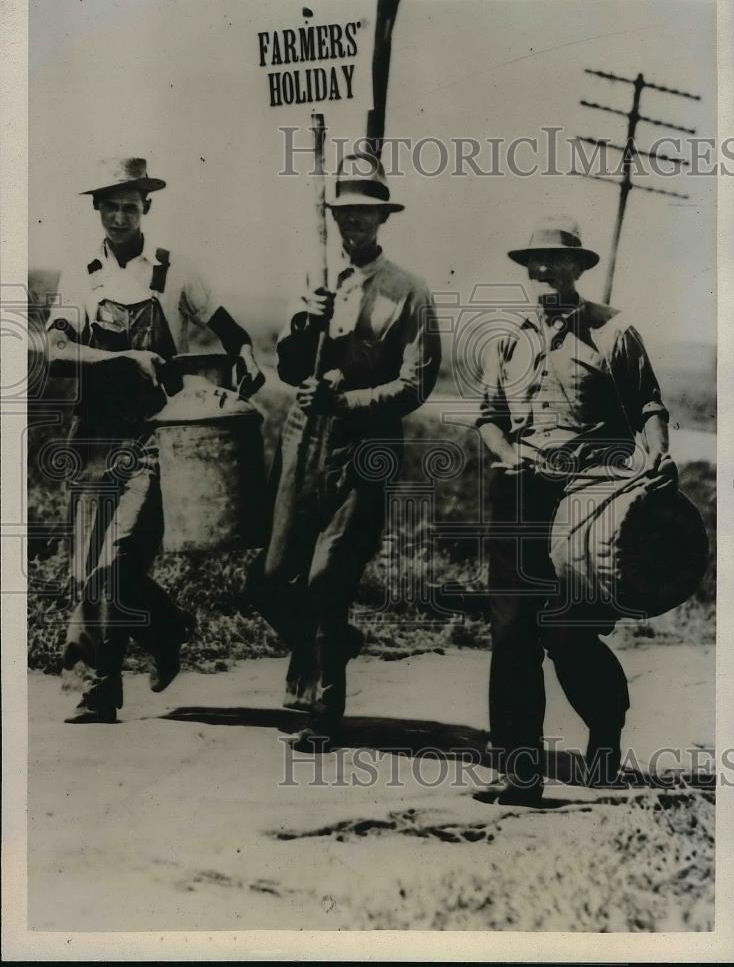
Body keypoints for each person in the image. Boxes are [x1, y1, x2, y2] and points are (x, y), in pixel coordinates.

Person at [46, 157, 264, 723]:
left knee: (114, 560)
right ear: (97, 209)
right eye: (111, 205)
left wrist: (245, 354)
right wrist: (122, 358)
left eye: (131, 206)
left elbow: (229, 329)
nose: (121, 215)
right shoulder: (82, 271)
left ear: (147, 209)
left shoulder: (173, 270)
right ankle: (156, 636)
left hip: (156, 438)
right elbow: (56, 350)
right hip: (94, 436)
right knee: (88, 569)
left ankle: (107, 675)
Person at [477, 216, 675, 804]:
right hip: (521, 494)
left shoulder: (614, 332)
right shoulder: (508, 337)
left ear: (578, 268)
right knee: (512, 629)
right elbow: (488, 415)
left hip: (589, 499)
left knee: (567, 632)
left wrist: (658, 454)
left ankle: (607, 727)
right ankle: (519, 770)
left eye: (555, 262)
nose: (543, 272)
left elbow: (649, 405)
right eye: (534, 263)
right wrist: (507, 451)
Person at [249, 153, 442, 751]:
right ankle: (332, 642)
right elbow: (286, 367)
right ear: (334, 218)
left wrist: (351, 399)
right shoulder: (319, 284)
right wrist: (304, 327)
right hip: (304, 438)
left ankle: (320, 710)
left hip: (367, 445)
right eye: (345, 213)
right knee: (271, 580)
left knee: (329, 575)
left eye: (365, 213)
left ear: (382, 218)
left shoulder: (408, 292)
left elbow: (416, 384)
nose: (353, 223)